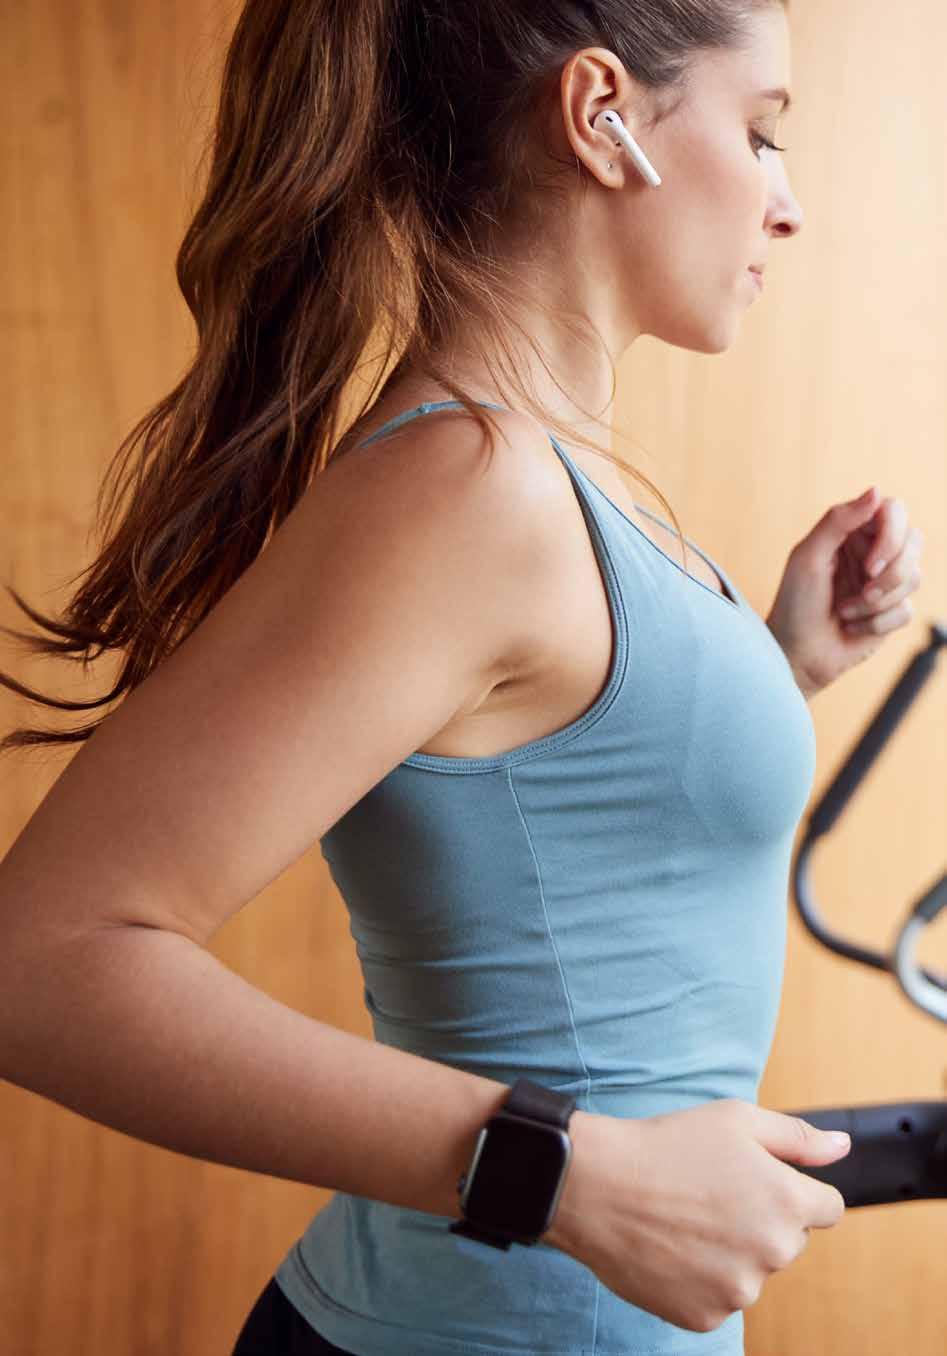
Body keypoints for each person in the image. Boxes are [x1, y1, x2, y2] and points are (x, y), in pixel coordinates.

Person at [1, 2, 872, 1353]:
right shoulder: (471, 487)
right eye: (761, 134)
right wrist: (571, 1179)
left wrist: (782, 661)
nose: (788, 204)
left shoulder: (549, 475)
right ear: (602, 118)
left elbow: (569, 823)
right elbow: (42, 965)